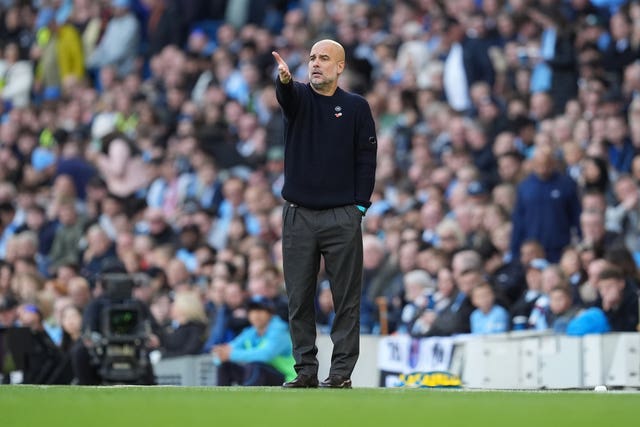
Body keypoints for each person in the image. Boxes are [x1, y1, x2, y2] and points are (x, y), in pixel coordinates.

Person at [272, 39, 377, 388]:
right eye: (312, 58)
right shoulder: (299, 98)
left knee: (346, 299)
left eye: (324, 58)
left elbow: (367, 158)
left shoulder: (357, 107)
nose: (316, 63)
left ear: (340, 66)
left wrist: (360, 206)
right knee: (299, 298)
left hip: (342, 217)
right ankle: (305, 371)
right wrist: (284, 81)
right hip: (299, 214)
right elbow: (286, 97)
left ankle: (341, 374)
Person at [212, 295, 296, 386]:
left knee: (254, 366)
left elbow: (265, 355)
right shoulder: (250, 332)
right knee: (225, 365)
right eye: (252, 311)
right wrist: (221, 354)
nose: (256, 314)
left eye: (260, 310)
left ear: (270, 314)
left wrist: (230, 354)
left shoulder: (279, 331)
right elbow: (222, 355)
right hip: (262, 375)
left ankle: (248, 398)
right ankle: (222, 398)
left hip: (287, 378)